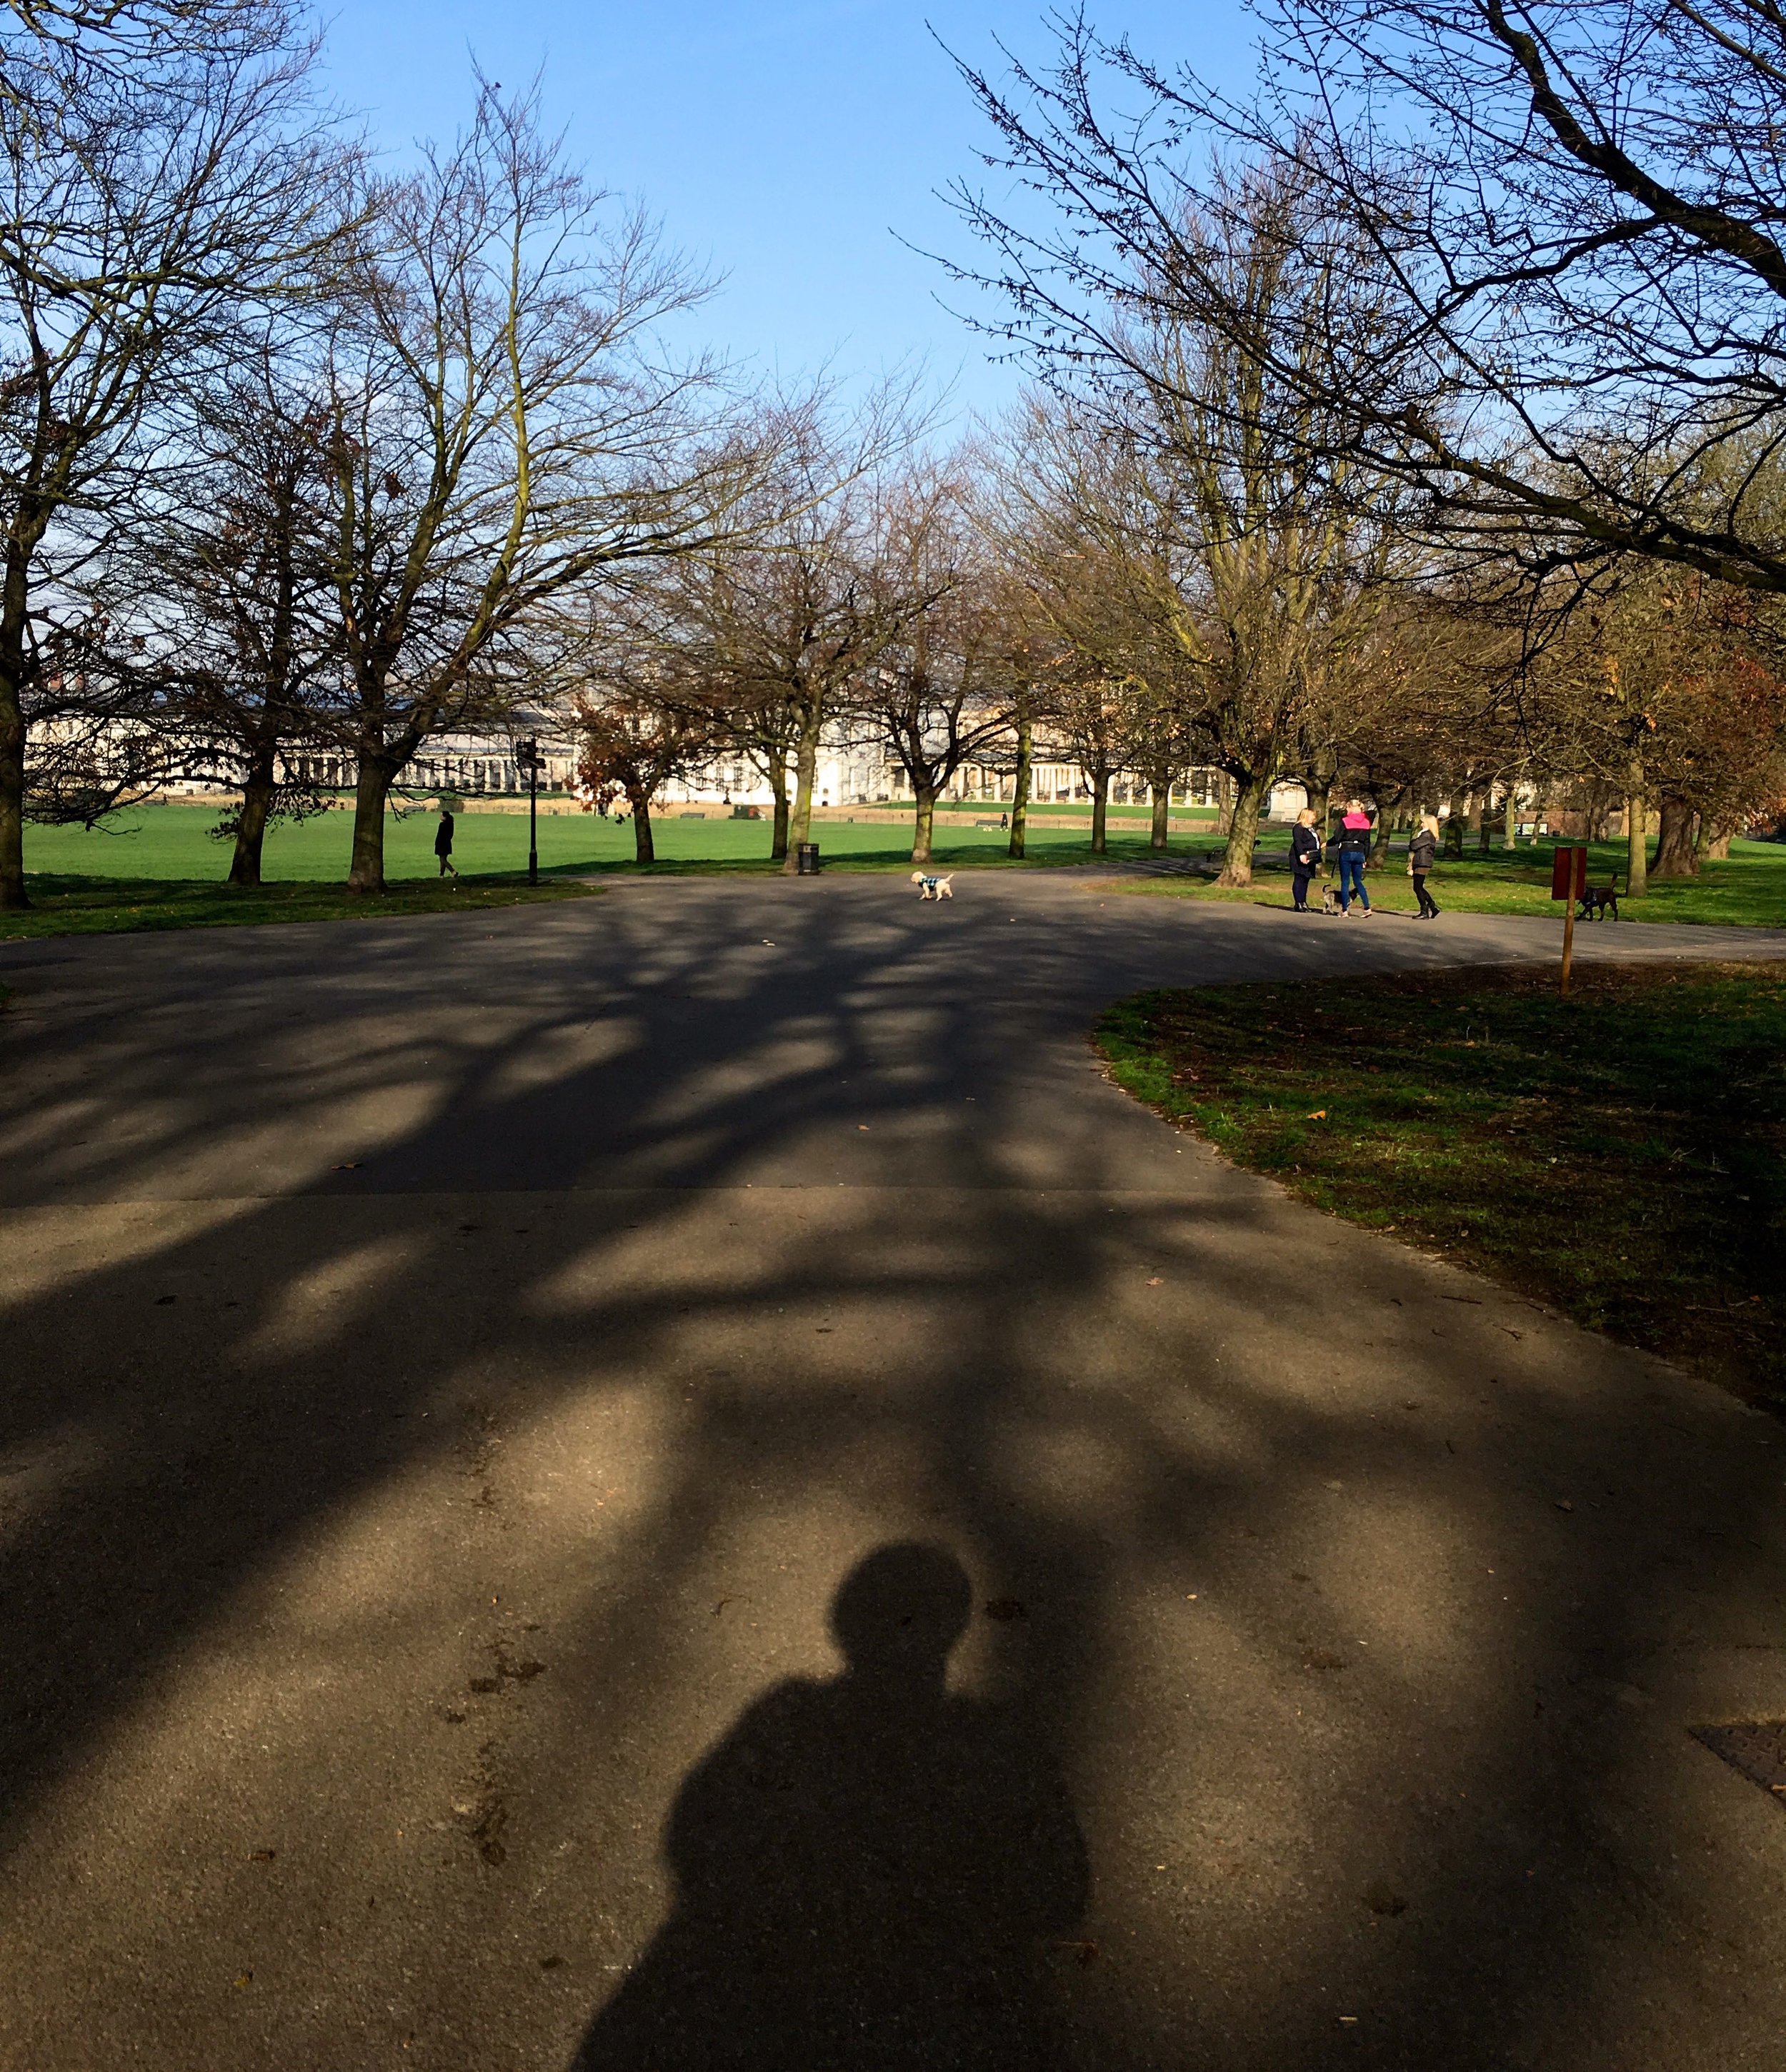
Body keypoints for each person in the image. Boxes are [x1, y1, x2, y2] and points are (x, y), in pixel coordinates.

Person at [1334, 798, 1374, 916]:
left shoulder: (1345, 821)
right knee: (1358, 881)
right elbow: (1367, 842)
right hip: (1359, 852)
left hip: (1346, 851)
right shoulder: (1366, 822)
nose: (1346, 810)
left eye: (1347, 807)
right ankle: (1367, 907)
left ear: (1351, 808)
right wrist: (1365, 858)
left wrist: (1328, 843)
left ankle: (1345, 910)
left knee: (1345, 881)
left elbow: (1337, 837)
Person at [1408, 812, 1441, 918]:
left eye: (1423, 823)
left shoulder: (1427, 835)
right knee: (1419, 887)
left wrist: (1413, 842)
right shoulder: (1426, 835)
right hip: (1421, 861)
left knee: (1417, 887)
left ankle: (1425, 911)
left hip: (1423, 862)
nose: (1421, 825)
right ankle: (1432, 907)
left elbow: (1414, 845)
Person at [1289, 807, 1322, 911]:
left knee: (1306, 879)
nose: (1314, 817)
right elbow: (1298, 841)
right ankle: (1298, 902)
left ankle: (1303, 902)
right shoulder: (1298, 828)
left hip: (1310, 857)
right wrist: (1301, 854)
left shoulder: (1311, 828)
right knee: (1299, 878)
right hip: (1300, 856)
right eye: (1312, 815)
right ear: (1306, 815)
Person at [433, 805, 458, 881]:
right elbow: (450, 835)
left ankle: (453, 871)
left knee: (443, 859)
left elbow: (439, 835)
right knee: (443, 859)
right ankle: (441, 875)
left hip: (441, 844)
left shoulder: (442, 825)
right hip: (447, 843)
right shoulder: (451, 824)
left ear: (445, 817)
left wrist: (437, 843)